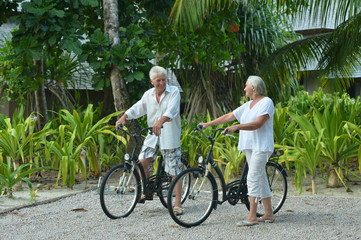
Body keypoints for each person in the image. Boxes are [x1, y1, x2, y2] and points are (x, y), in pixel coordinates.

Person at [200, 75, 275, 226]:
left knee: (253, 177)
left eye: (246, 85)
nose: (244, 88)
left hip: (261, 146)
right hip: (250, 146)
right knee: (260, 178)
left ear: (253, 88)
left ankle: (252, 217)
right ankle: (268, 214)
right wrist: (208, 124)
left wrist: (237, 127)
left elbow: (258, 124)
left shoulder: (266, 102)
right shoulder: (248, 105)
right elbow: (229, 116)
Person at [115, 66, 184, 215]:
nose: (162, 83)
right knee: (142, 161)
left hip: (169, 134)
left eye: (164, 80)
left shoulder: (174, 92)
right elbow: (137, 108)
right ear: (152, 81)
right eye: (158, 80)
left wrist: (160, 121)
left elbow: (172, 111)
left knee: (174, 169)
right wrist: (124, 117)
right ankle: (147, 190)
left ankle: (177, 203)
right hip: (153, 134)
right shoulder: (148, 94)